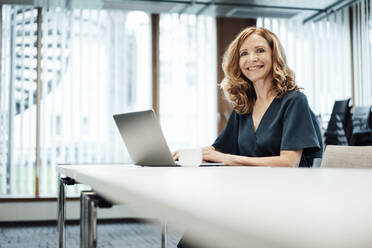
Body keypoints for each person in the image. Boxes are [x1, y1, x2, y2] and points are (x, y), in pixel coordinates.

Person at [175, 26, 323, 248]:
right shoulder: (244, 106)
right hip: (250, 195)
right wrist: (186, 153)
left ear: (274, 56)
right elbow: (218, 150)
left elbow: (288, 162)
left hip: (284, 201)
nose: (251, 59)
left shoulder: (294, 101)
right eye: (244, 53)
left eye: (260, 50)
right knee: (195, 235)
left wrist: (230, 159)